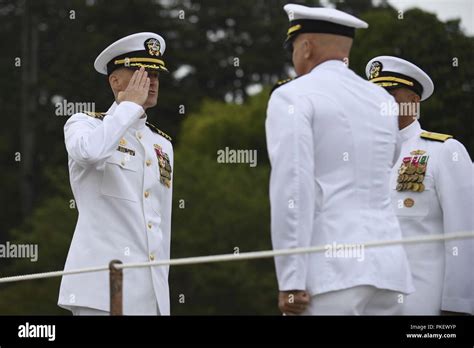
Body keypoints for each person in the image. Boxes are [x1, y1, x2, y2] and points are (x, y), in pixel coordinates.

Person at [265, 4, 414, 315]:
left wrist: (291, 278)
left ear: (306, 47)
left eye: (293, 48)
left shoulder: (292, 96)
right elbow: (390, 163)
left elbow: (293, 188)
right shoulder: (382, 99)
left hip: (331, 271)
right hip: (389, 269)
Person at [58, 32, 174, 315]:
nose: (152, 80)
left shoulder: (162, 143)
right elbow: (90, 152)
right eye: (141, 72)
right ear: (115, 81)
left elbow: (162, 222)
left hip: (151, 296)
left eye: (156, 73)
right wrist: (128, 108)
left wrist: (163, 295)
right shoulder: (84, 124)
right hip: (99, 291)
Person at [365, 56, 474, 315]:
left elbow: (465, 233)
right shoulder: (361, 158)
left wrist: (459, 305)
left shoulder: (444, 151)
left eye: (390, 93)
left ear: (414, 102)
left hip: (423, 304)